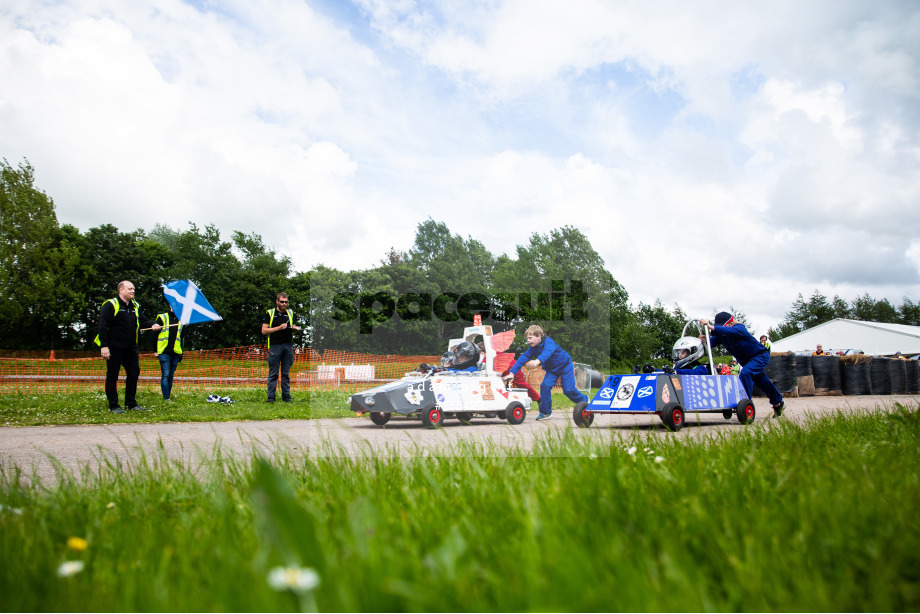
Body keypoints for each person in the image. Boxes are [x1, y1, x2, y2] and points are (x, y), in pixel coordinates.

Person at [701, 312, 786, 417]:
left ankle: (746, 405)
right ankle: (778, 403)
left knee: (745, 374)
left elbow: (728, 331)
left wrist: (710, 327)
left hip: (760, 356)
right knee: (762, 381)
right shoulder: (722, 336)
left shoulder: (740, 329)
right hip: (747, 361)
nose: (721, 329)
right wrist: (704, 341)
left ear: (730, 324)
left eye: (723, 326)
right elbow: (710, 344)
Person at [96, 280, 161, 413]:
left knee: (133, 373)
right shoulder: (111, 305)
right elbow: (102, 326)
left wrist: (152, 325)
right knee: (112, 376)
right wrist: (104, 346)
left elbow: (142, 321)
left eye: (133, 289)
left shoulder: (135, 306)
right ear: (121, 290)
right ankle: (114, 406)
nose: (133, 291)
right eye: (130, 289)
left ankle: (131, 404)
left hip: (131, 348)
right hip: (114, 347)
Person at [502, 325, 587, 421]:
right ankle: (546, 412)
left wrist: (536, 361)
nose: (528, 341)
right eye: (527, 339)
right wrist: (512, 373)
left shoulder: (549, 342)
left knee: (568, 390)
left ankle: (585, 401)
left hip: (565, 366)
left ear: (539, 336)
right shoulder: (532, 348)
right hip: (552, 370)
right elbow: (522, 358)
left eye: (530, 338)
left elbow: (547, 352)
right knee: (545, 386)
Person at [262, 292, 300, 403]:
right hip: (275, 346)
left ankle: (287, 398)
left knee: (285, 374)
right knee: (273, 374)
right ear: (277, 301)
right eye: (282, 302)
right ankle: (271, 398)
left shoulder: (291, 313)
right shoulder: (270, 313)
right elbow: (264, 331)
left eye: (286, 302)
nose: (284, 304)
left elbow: (291, 326)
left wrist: (295, 329)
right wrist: (278, 328)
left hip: (288, 346)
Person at [155, 305, 183, 400]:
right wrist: (155, 350)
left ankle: (168, 395)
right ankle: (166, 397)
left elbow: (181, 337)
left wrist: (180, 353)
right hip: (164, 351)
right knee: (166, 375)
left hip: (175, 352)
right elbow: (154, 334)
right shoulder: (163, 317)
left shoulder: (181, 320)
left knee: (171, 375)